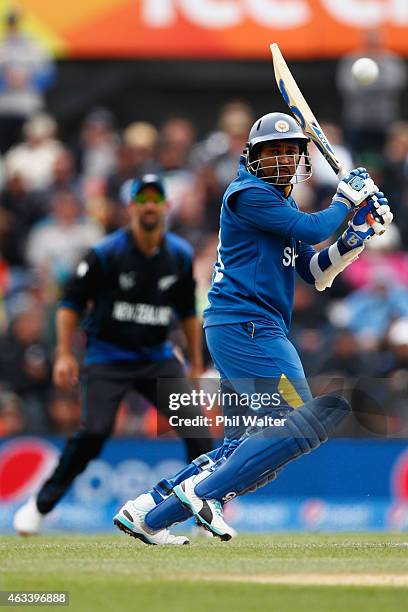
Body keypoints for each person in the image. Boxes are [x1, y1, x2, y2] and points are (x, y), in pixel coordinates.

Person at [111, 112, 393, 545]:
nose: (281, 159)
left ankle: (150, 514)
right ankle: (203, 493)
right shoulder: (247, 193)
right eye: (272, 151)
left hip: (245, 326)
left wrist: (357, 234)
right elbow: (314, 227)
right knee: (294, 424)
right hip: (247, 325)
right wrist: (345, 198)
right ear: (252, 158)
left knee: (246, 446)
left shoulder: (282, 205)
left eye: (289, 151)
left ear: (302, 159)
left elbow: (315, 270)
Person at [13, 173, 212, 541]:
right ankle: (40, 506)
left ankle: (204, 512)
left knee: (198, 433)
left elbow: (187, 312)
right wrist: (62, 355)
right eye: (142, 199)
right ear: (131, 207)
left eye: (156, 199)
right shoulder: (106, 254)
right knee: (94, 433)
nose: (149, 205)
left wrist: (197, 363)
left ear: (166, 206)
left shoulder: (179, 256)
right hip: (108, 357)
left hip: (156, 357)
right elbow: (70, 303)